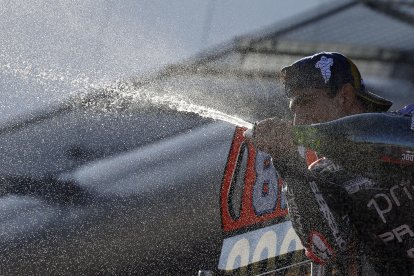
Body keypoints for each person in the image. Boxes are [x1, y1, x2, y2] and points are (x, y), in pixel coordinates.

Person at [251, 52, 414, 275]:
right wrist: (287, 160)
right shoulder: (321, 176)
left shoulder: (407, 122)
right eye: (293, 110)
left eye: (306, 102)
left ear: (345, 96)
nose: (298, 121)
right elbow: (326, 250)